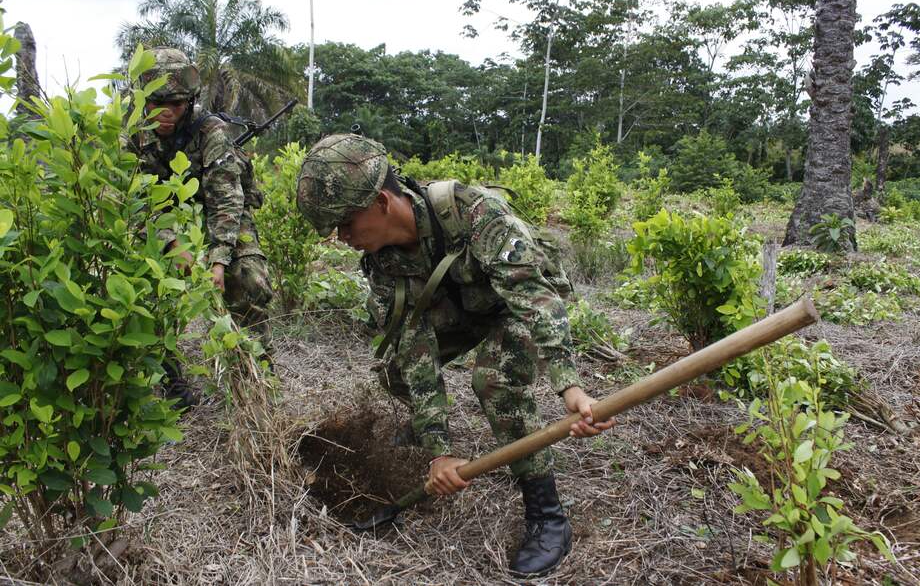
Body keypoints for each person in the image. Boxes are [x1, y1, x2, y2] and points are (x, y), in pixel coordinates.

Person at [295, 133, 615, 577]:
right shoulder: (382, 260)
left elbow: (533, 298)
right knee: (397, 373)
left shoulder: (475, 213)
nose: (342, 238)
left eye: (346, 224)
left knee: (495, 381)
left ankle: (547, 513)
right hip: (463, 308)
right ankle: (427, 428)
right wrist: (439, 450)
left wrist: (570, 386)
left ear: (383, 203)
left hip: (513, 305)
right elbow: (413, 343)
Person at [130, 48, 273, 407]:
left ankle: (259, 378)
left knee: (248, 278)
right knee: (140, 285)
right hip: (160, 215)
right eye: (155, 104)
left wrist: (219, 261)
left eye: (175, 105)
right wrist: (170, 243)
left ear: (190, 101)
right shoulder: (131, 135)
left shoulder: (211, 130)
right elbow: (132, 201)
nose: (165, 113)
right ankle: (172, 382)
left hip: (218, 206)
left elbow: (227, 200)